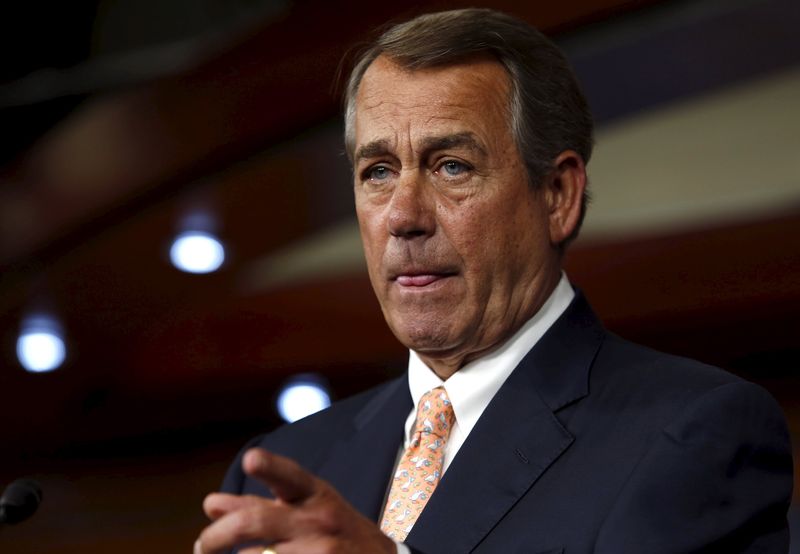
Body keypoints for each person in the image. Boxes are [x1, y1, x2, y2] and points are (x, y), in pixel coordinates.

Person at [194, 8, 793, 554]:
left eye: (452, 165)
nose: (403, 216)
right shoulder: (282, 468)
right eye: (377, 171)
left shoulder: (694, 436)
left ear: (558, 196)